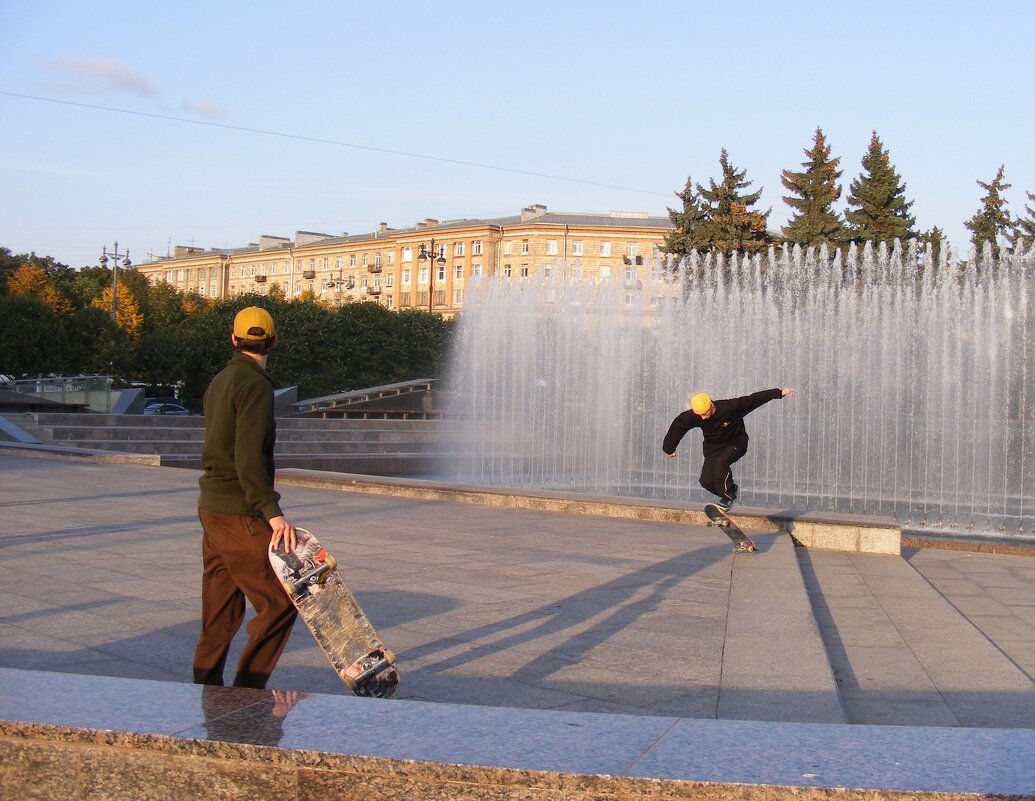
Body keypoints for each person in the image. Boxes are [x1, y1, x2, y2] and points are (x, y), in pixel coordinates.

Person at [192, 306, 299, 689]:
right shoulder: (255, 385)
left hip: (212, 505)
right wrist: (272, 512)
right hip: (237, 510)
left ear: (234, 341)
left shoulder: (220, 380)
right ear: (273, 341)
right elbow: (248, 454)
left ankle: (205, 688)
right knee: (281, 603)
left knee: (220, 610)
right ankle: (247, 693)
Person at [662, 387, 795, 511]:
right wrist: (669, 448)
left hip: (736, 443)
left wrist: (778, 393)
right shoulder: (696, 415)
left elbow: (753, 400)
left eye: (705, 413)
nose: (702, 417)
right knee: (705, 481)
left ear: (711, 405)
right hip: (714, 448)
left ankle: (729, 496)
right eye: (700, 415)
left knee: (721, 463)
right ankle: (731, 488)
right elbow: (679, 425)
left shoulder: (730, 408)